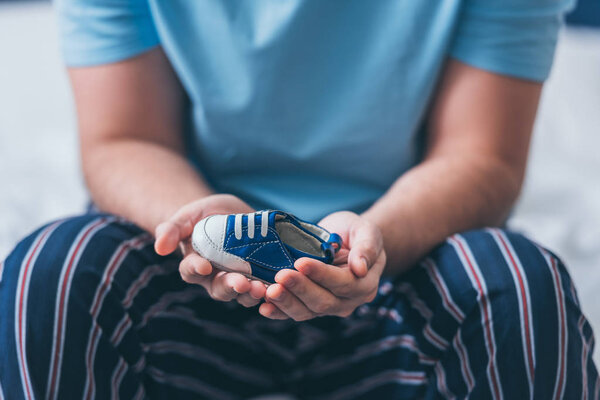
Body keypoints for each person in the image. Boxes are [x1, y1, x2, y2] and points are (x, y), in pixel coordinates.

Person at [1, 0, 598, 399]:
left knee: (521, 287)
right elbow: (124, 138)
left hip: (402, 265)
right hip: (181, 274)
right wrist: (200, 222)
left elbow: (483, 157)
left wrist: (370, 242)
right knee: (46, 275)